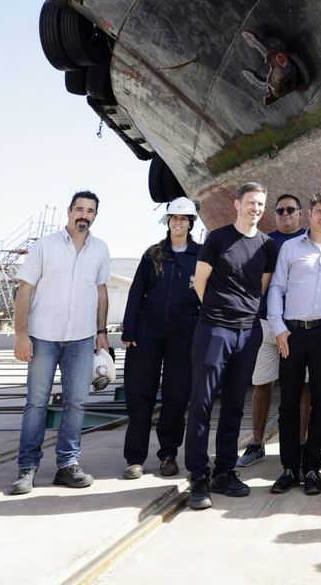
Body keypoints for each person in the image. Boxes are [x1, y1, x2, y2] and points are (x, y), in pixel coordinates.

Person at [9, 191, 111, 494]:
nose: (84, 215)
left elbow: (101, 291)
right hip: (43, 336)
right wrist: (21, 334)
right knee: (36, 403)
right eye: (79, 209)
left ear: (95, 216)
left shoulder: (101, 249)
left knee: (77, 403)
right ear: (69, 212)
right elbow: (25, 290)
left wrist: (101, 331)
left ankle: (67, 464)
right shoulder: (45, 246)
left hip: (81, 338)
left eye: (90, 211)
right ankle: (27, 467)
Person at [185, 183, 279, 511]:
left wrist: (242, 318)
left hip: (248, 332)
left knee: (236, 404)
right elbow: (200, 283)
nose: (255, 208)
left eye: (260, 204)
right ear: (237, 203)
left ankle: (224, 471)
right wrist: (217, 315)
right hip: (214, 329)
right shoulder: (218, 238)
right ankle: (199, 475)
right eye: (250, 202)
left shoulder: (267, 246)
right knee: (202, 403)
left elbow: (260, 287)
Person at [266, 192, 321, 495]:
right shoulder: (290, 248)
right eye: (318, 211)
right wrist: (278, 328)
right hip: (292, 333)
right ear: (310, 214)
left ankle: (312, 467)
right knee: (288, 402)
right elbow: (276, 288)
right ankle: (289, 468)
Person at [120, 197, 202, 479]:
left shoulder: (200, 257)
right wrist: (129, 330)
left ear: (191, 223)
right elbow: (136, 293)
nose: (178, 222)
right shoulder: (153, 254)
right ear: (167, 221)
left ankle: (168, 454)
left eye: (183, 219)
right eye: (173, 218)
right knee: (140, 395)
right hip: (147, 333)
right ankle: (135, 458)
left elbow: (207, 298)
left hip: (184, 335)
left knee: (176, 396)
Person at [240, 193, 306, 470]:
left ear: (300, 213)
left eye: (291, 210)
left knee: (304, 386)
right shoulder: (264, 242)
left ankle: (302, 445)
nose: (285, 214)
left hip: (298, 325)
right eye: (280, 211)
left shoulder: (309, 240)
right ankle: (256, 443)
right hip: (266, 323)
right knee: (261, 382)